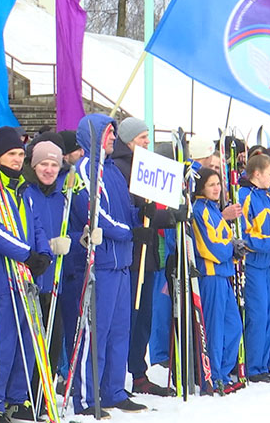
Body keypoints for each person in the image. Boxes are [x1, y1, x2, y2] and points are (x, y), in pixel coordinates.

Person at [0, 126, 53, 422]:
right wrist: (25, 254)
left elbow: (36, 224)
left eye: (20, 154)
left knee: (27, 340)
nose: (17, 159)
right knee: (2, 342)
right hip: (0, 276)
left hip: (26, 278)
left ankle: (18, 397)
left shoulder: (22, 190)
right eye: (11, 154)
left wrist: (43, 254)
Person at [66, 114, 147, 416]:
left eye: (113, 132)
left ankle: (113, 389)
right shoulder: (86, 169)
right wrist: (129, 232)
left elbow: (125, 210)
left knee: (119, 331)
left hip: (121, 262)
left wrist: (142, 218)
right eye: (108, 133)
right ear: (92, 136)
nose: (113, 137)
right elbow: (94, 212)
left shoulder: (112, 171)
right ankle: (88, 397)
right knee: (95, 332)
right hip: (99, 264)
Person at [109, 117, 176, 396]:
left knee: (143, 316)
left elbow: (149, 208)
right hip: (131, 254)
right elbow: (132, 211)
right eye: (142, 137)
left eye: (147, 137)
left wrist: (170, 214)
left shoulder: (144, 165)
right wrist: (163, 216)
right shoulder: (122, 168)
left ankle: (139, 373)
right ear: (127, 140)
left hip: (147, 255)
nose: (147, 141)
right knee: (131, 318)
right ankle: (120, 376)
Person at [22, 141, 74, 401]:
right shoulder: (26, 193)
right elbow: (26, 229)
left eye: (54, 164)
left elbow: (67, 229)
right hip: (32, 278)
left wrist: (81, 238)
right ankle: (27, 397)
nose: (49, 169)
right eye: (44, 164)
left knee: (54, 341)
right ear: (33, 165)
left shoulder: (60, 197)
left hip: (54, 281)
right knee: (34, 342)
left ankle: (43, 395)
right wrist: (45, 248)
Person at [191, 168, 245, 394]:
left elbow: (223, 238)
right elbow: (208, 246)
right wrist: (230, 249)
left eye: (218, 184)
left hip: (223, 275)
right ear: (202, 187)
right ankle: (211, 377)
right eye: (211, 184)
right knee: (214, 329)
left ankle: (222, 372)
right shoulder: (200, 210)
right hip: (211, 276)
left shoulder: (215, 210)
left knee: (233, 326)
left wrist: (235, 248)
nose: (216, 188)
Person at [238, 153, 270, 382]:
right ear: (257, 174)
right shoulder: (245, 196)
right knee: (258, 314)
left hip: (269, 262)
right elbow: (244, 235)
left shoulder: (267, 197)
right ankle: (253, 366)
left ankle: (263, 364)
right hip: (253, 264)